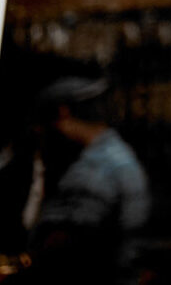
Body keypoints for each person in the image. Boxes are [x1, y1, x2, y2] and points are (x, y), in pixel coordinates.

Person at [23, 75, 150, 285]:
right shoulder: (119, 154)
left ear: (63, 114)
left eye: (42, 128)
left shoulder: (93, 171)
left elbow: (60, 250)